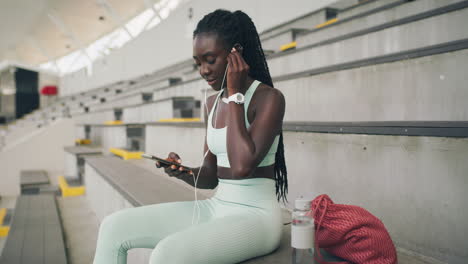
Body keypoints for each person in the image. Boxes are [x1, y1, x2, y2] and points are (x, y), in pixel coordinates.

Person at [93, 9, 287, 264]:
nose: (203, 70)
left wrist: (234, 95)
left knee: (166, 255)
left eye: (210, 59)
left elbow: (241, 166)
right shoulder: (211, 103)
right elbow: (210, 177)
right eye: (198, 62)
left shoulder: (269, 98)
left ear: (235, 53)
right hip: (216, 207)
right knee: (113, 227)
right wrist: (181, 171)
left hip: (257, 218)